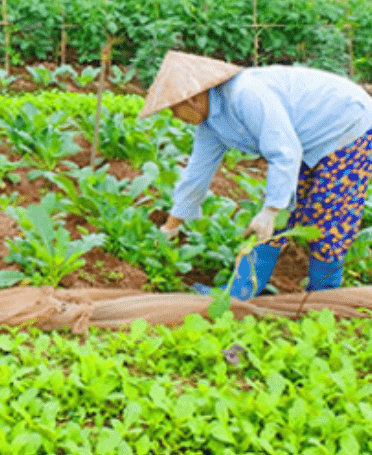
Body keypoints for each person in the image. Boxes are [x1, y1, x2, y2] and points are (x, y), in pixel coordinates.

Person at [141, 50, 372, 300]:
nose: (174, 116)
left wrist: (270, 210)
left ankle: (323, 298)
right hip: (303, 140)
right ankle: (239, 293)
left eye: (174, 109)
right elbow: (197, 173)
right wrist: (171, 227)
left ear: (192, 99)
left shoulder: (244, 95)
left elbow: (284, 152)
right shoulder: (210, 123)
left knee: (328, 211)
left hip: (347, 123)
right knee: (279, 213)